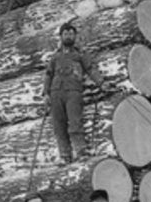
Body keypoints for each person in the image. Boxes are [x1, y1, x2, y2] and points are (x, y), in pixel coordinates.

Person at [44, 21, 109, 164]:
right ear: (61, 36)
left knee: (75, 122)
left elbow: (91, 68)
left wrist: (101, 83)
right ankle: (65, 155)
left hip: (73, 92)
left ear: (75, 37)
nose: (68, 36)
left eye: (71, 34)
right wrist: (46, 94)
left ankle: (80, 151)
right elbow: (48, 74)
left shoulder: (80, 55)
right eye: (66, 34)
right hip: (56, 93)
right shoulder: (55, 57)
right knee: (59, 125)